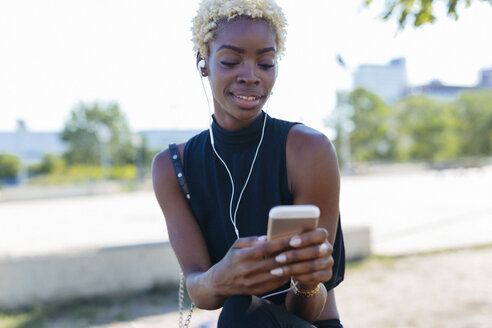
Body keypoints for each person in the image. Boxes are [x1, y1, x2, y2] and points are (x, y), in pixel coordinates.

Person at [152, 0, 345, 327]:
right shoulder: (172, 168)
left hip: (309, 323)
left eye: (266, 63)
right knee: (239, 310)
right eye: (230, 61)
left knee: (240, 313)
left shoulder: (308, 150)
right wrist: (220, 277)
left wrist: (308, 282)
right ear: (203, 62)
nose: (251, 76)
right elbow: (200, 291)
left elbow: (308, 311)